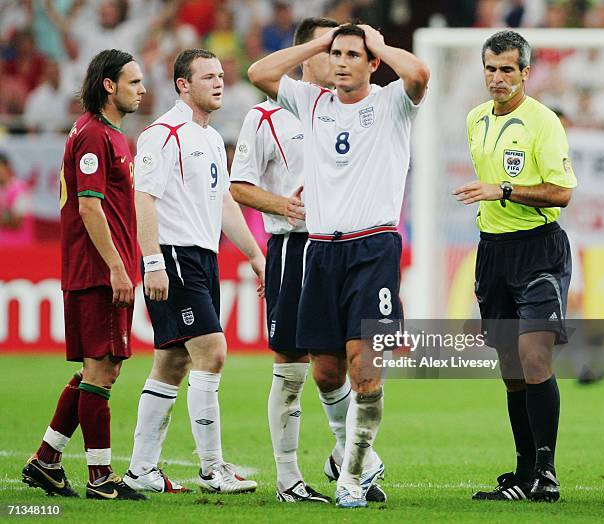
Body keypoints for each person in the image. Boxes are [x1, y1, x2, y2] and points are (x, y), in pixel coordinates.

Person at [248, 23, 429, 508]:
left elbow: (419, 71)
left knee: (364, 370)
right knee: (326, 373)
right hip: (322, 252)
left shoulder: (391, 102)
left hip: (373, 249)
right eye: (337, 54)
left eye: (354, 54)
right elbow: (258, 72)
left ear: (372, 62)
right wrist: (318, 46)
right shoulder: (311, 103)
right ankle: (362, 461)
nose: (343, 61)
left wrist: (380, 43)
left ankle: (351, 475)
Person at [123, 49, 265, 495]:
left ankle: (141, 469)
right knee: (213, 351)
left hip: (203, 258)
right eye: (208, 77)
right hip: (174, 255)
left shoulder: (208, 138)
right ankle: (211, 469)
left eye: (221, 75)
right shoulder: (162, 134)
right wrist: (152, 263)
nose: (219, 83)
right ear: (183, 85)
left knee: (173, 360)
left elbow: (224, 203)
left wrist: (255, 255)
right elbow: (143, 198)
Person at [453, 30, 577, 503]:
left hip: (539, 250)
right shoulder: (475, 119)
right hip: (493, 252)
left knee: (533, 357)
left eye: (507, 69)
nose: (497, 77)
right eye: (491, 68)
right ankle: (523, 473)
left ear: (525, 72)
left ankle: (546, 472)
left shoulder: (543, 122)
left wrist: (502, 190)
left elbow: (561, 192)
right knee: (508, 364)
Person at [22, 49, 147, 501]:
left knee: (99, 369)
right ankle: (101, 478)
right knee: (102, 371)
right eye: (133, 82)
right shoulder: (96, 136)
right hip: (98, 270)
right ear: (109, 85)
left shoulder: (100, 132)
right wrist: (117, 266)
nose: (142, 89)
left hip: (96, 267)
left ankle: (47, 460)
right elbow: (89, 206)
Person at [231, 16, 339, 504]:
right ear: (304, 55)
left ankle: (348, 455)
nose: (339, 62)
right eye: (330, 51)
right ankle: (289, 478)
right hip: (294, 247)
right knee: (292, 363)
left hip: (344, 247)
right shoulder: (266, 115)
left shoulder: (348, 108)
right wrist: (282, 206)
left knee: (345, 358)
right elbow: (238, 186)